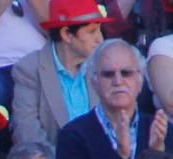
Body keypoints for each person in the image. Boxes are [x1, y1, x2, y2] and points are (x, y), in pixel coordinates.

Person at [11, 0, 108, 147]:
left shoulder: (103, 66)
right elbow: (27, 133)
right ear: (66, 34)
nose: (100, 38)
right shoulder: (29, 69)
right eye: (91, 31)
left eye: (99, 30)